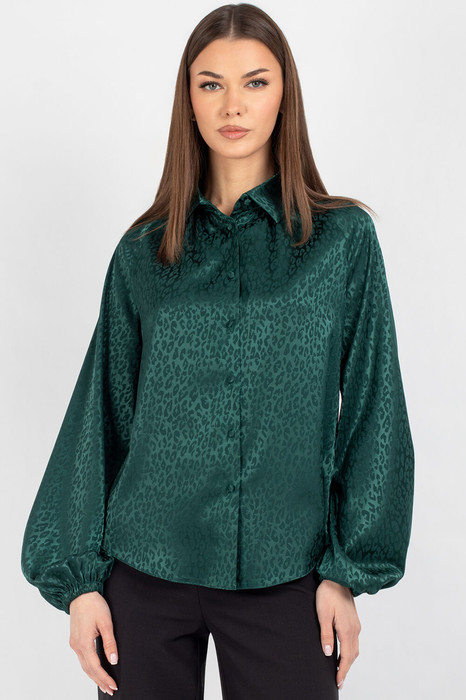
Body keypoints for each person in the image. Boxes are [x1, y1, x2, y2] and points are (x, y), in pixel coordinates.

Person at [20, 4, 415, 699]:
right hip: (143, 576)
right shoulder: (143, 254)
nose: (233, 105)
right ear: (189, 99)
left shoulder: (343, 242)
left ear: (285, 94)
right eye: (211, 84)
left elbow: (374, 409)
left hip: (287, 577)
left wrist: (345, 573)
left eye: (255, 82)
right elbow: (101, 416)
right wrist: (80, 584)